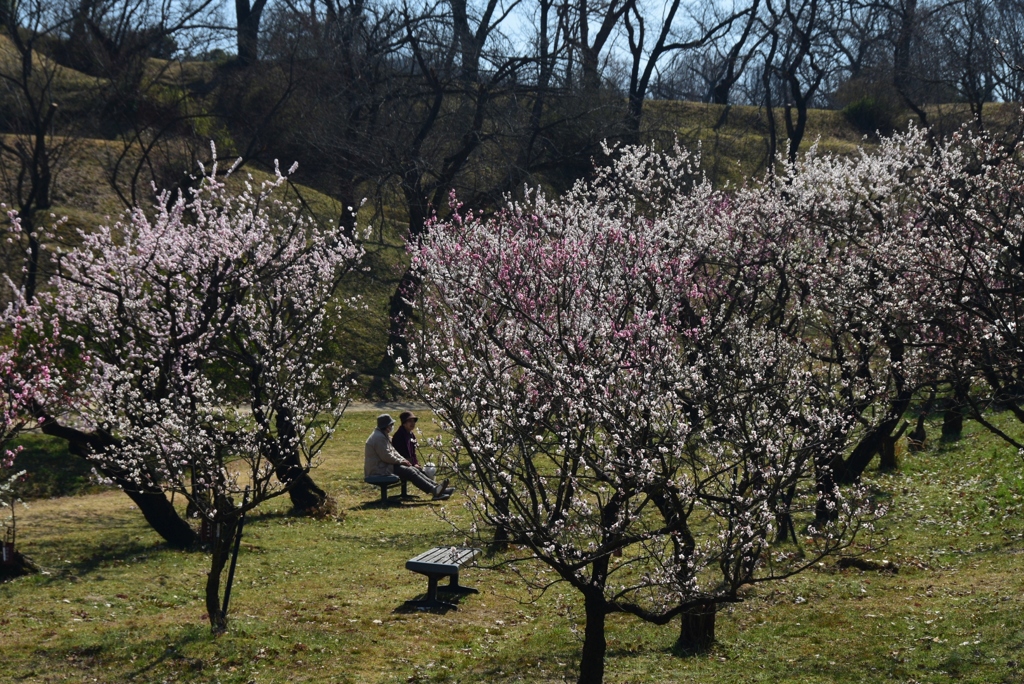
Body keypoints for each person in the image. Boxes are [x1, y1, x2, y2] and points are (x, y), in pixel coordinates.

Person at [365, 414, 452, 500]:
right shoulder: (379, 438)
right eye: (391, 425)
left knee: (413, 469)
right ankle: (434, 490)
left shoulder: (383, 435)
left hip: (385, 466)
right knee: (410, 471)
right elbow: (386, 456)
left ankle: (437, 488)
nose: (392, 427)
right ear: (386, 426)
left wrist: (403, 460)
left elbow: (393, 452)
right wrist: (401, 462)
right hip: (378, 469)